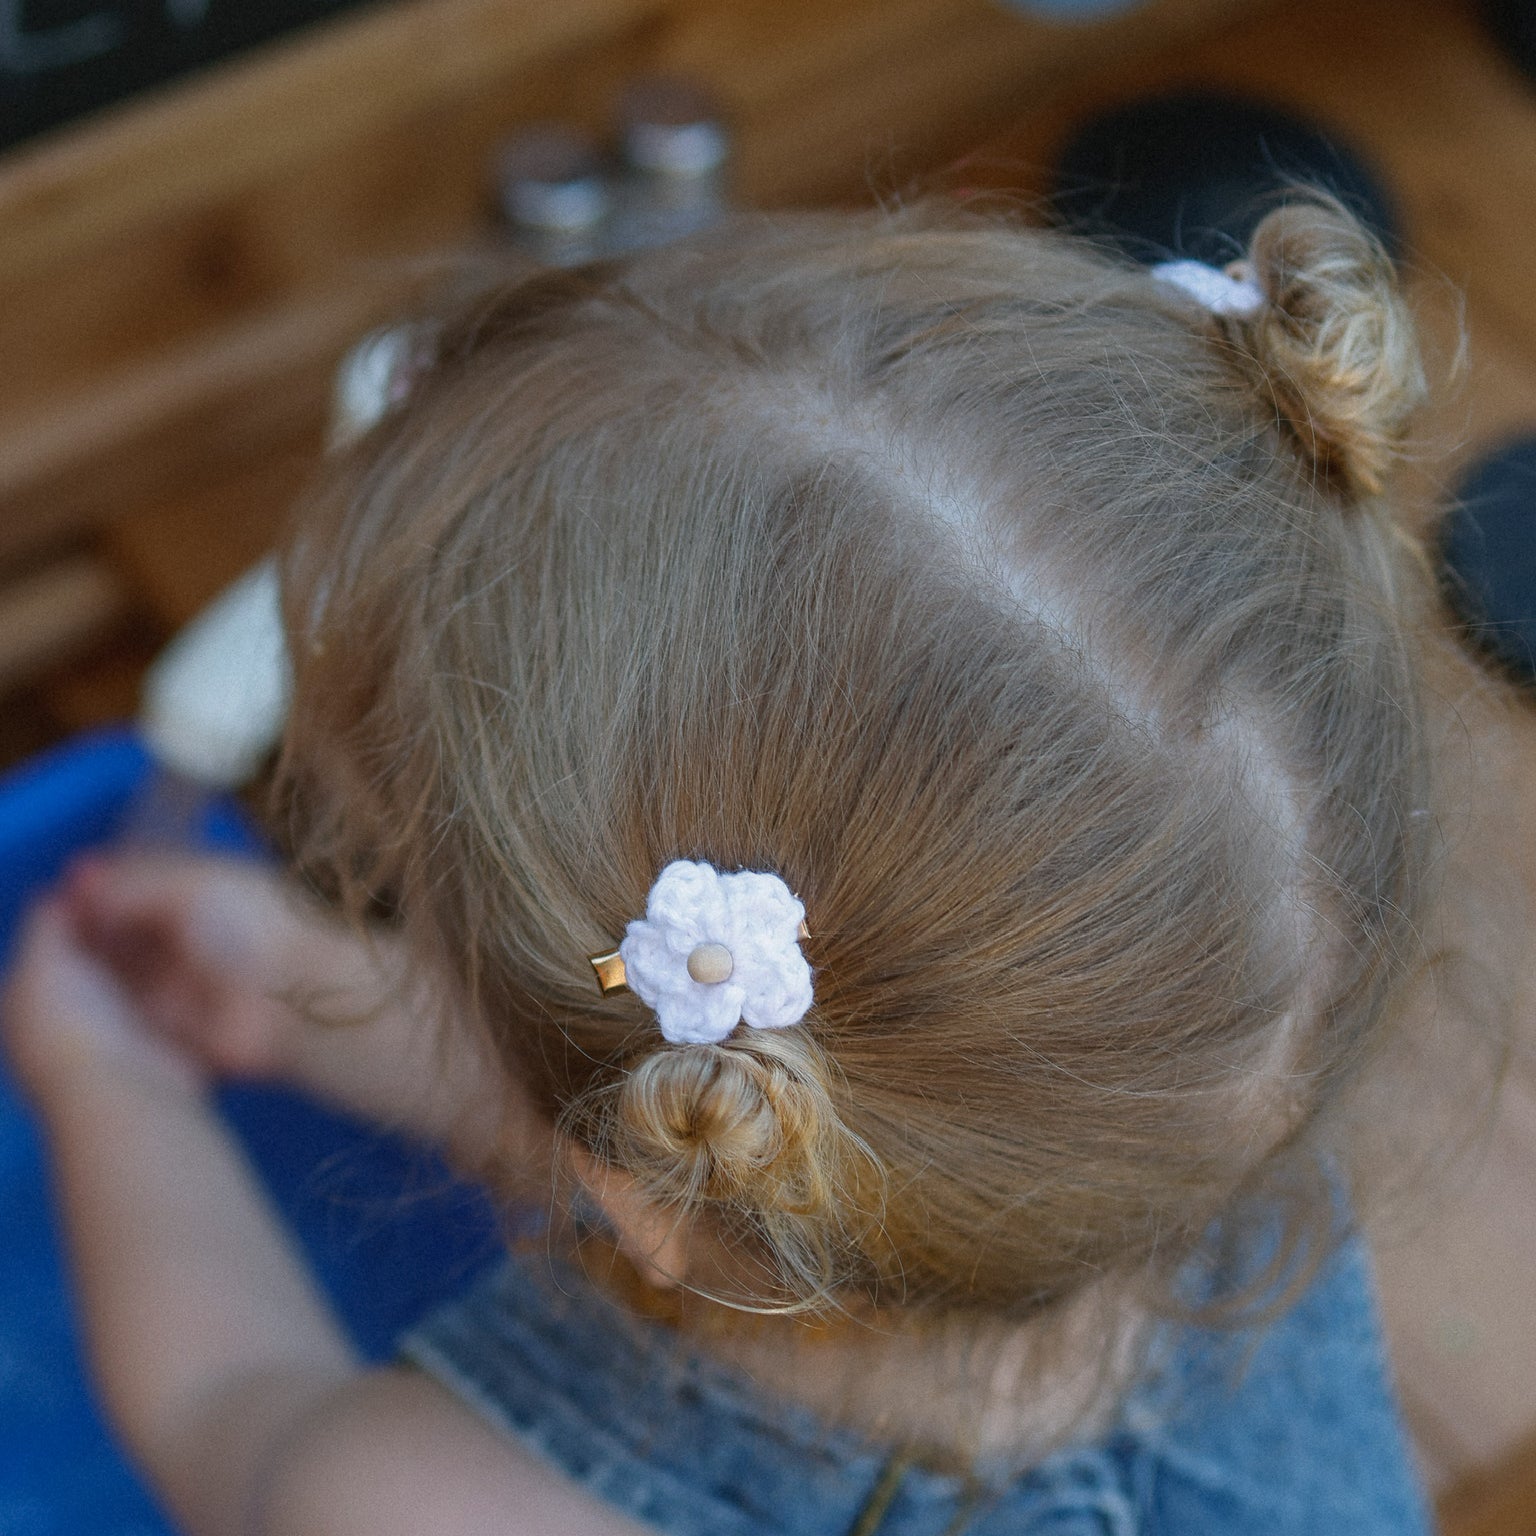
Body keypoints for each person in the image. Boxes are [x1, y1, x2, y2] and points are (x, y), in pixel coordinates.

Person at [3, 193, 1459, 1534]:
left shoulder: (432, 1497)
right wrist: (320, 999)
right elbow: (777, 1177)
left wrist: (112, 1091)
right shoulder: (1190, 1103)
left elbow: (232, 1419)